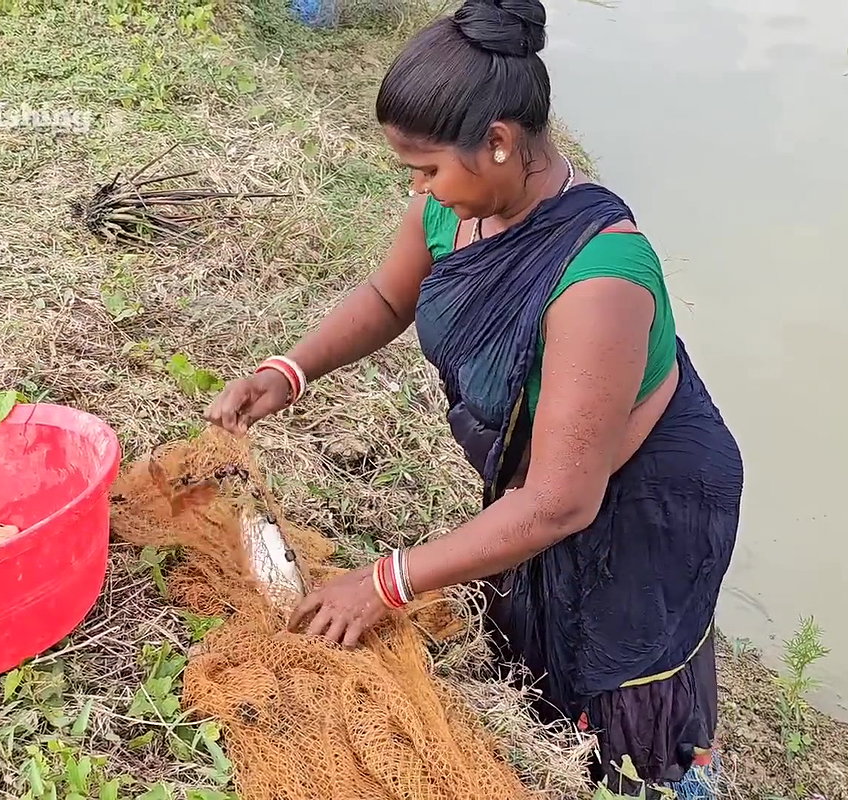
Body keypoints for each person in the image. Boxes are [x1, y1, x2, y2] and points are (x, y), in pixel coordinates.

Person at [204, 0, 743, 791]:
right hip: (550, 476)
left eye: (427, 168)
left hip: (643, 499)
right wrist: (286, 372)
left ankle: (669, 775)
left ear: (498, 142)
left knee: (621, 684)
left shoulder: (600, 282)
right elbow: (390, 301)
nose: (419, 188)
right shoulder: (452, 209)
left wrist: (383, 583)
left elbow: (560, 504)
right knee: (529, 618)